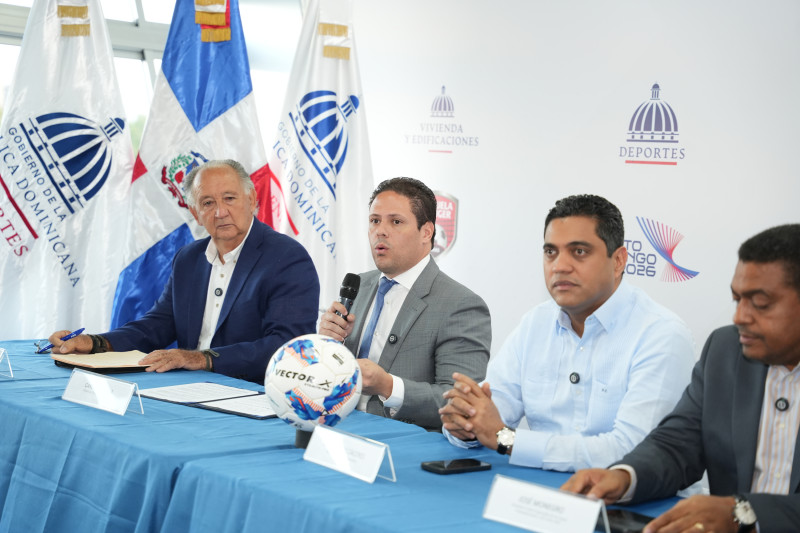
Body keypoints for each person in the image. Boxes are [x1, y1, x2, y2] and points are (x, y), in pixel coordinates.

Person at [562, 224, 800, 533]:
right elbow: (678, 443)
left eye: (761, 303)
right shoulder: (726, 350)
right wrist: (625, 477)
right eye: (737, 299)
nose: (740, 317)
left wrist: (745, 513)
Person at [439, 194, 694, 471]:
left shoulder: (661, 334)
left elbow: (631, 451)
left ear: (619, 260)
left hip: (634, 505)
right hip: (540, 491)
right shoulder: (535, 324)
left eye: (579, 252)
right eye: (551, 252)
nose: (559, 266)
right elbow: (490, 415)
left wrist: (506, 439)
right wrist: (465, 422)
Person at [48, 159, 319, 383]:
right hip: (184, 386)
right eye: (208, 203)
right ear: (195, 211)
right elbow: (157, 325)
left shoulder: (287, 258)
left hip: (251, 392)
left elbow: (286, 345)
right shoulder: (189, 258)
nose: (220, 212)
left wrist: (201, 358)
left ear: (252, 200)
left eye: (229, 198)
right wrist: (96, 343)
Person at [318, 177, 491, 431]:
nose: (381, 231)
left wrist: (388, 387)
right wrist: (326, 345)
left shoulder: (461, 305)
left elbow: (461, 405)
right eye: (375, 221)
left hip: (404, 444)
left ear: (427, 232)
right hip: (336, 427)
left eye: (396, 222)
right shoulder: (359, 286)